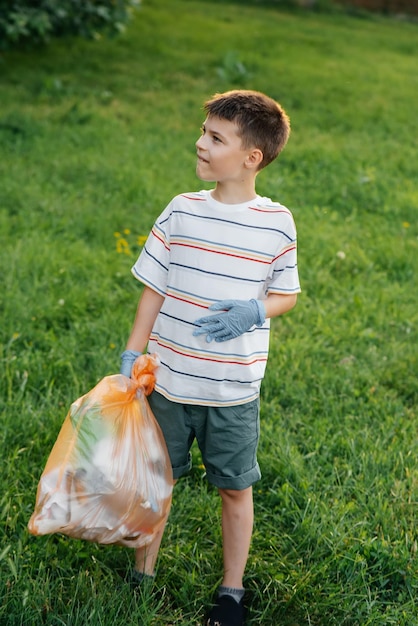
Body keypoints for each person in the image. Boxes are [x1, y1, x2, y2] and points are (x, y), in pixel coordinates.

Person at [120, 89, 301, 626]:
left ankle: (232, 591)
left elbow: (286, 293)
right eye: (203, 131)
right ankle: (141, 574)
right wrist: (134, 350)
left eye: (215, 138)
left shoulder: (276, 223)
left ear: (252, 157)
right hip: (169, 383)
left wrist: (253, 309)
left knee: (234, 487)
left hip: (232, 390)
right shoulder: (182, 210)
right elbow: (154, 286)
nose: (200, 143)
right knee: (158, 481)